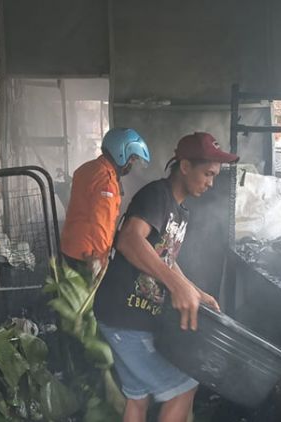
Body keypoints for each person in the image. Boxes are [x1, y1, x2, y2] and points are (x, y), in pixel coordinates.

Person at [94, 132, 239, 422]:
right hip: (125, 318)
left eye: (214, 176)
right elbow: (130, 240)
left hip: (130, 318)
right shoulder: (157, 195)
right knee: (182, 388)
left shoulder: (180, 211)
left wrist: (192, 289)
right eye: (207, 174)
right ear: (184, 167)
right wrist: (177, 286)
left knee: (138, 398)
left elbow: (163, 257)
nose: (211, 183)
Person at [60, 128, 150, 278]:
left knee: (70, 298)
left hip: (71, 246)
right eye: (132, 159)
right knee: (85, 300)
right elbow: (101, 221)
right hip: (87, 256)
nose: (132, 165)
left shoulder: (88, 168)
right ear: (121, 152)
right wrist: (99, 258)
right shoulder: (106, 180)